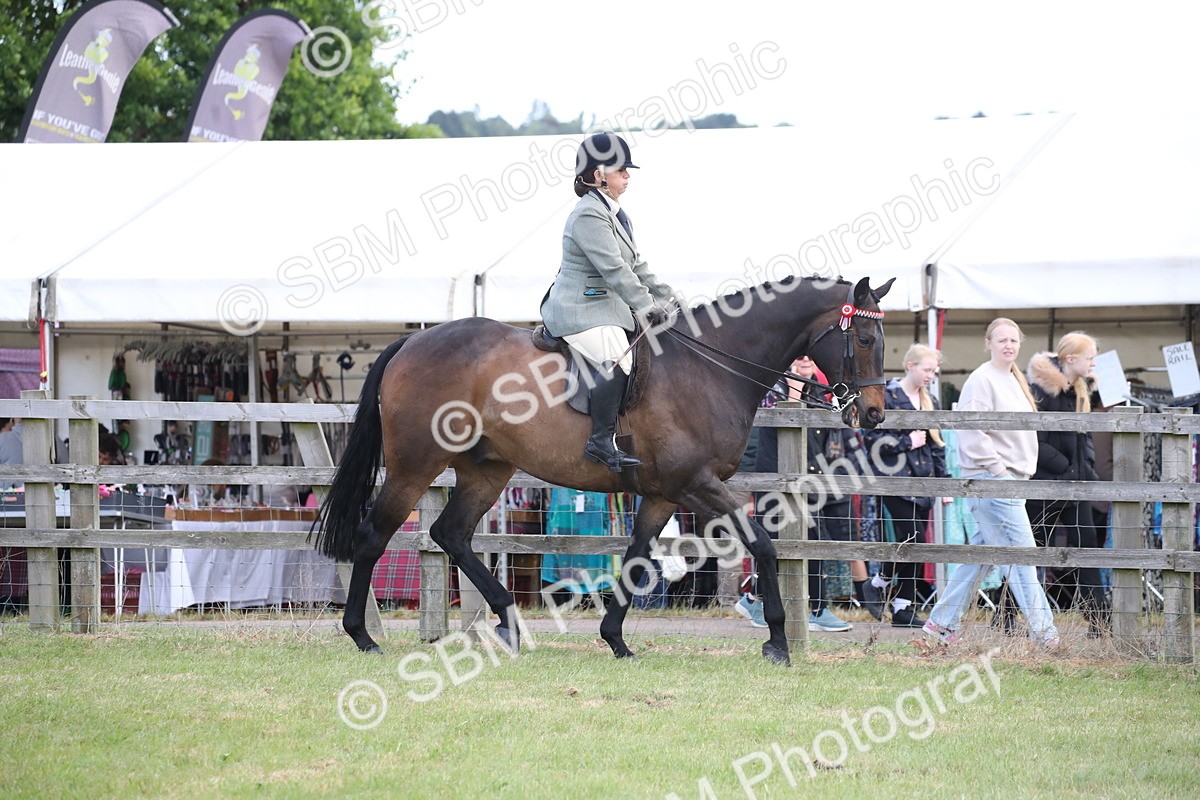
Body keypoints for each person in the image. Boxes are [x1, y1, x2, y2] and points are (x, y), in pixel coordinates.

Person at [540, 132, 677, 472]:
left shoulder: (613, 213)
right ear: (600, 174)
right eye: (621, 171)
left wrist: (670, 299)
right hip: (577, 308)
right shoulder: (588, 214)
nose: (628, 176)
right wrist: (647, 307)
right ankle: (600, 441)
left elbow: (636, 265)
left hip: (603, 305)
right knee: (619, 359)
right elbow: (615, 271)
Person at [923, 318, 1060, 647]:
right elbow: (971, 432)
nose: (1009, 345)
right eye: (1002, 340)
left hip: (1011, 481)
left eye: (1014, 340)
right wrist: (999, 473)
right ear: (988, 343)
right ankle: (1045, 633)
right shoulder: (981, 379)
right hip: (995, 481)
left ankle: (940, 624)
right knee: (1024, 556)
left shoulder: (1014, 379)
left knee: (980, 557)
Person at [745, 357, 861, 633]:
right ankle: (755, 600)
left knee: (814, 540)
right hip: (775, 478)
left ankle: (818, 608)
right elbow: (775, 423)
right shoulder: (773, 385)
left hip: (812, 477)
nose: (806, 361)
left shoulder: (819, 388)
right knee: (772, 544)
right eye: (800, 356)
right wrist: (794, 392)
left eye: (810, 356)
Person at [1025, 331, 1109, 637]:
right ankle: (1006, 615)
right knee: (1030, 551)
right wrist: (1067, 468)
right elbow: (1036, 440)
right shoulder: (1040, 390)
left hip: (1077, 485)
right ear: (1071, 359)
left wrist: (1084, 469)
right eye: (1090, 358)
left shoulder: (1081, 390)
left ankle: (1099, 620)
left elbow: (1083, 436)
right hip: (1045, 484)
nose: (1093, 363)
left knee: (1087, 549)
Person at [864, 344, 951, 628]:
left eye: (934, 371)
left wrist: (944, 483)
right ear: (910, 366)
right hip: (895, 481)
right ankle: (881, 585)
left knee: (915, 544)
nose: (931, 375)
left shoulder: (930, 401)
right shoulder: (886, 397)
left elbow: (937, 447)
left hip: (924, 481)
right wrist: (906, 443)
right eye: (927, 369)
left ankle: (900, 604)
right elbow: (871, 441)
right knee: (914, 539)